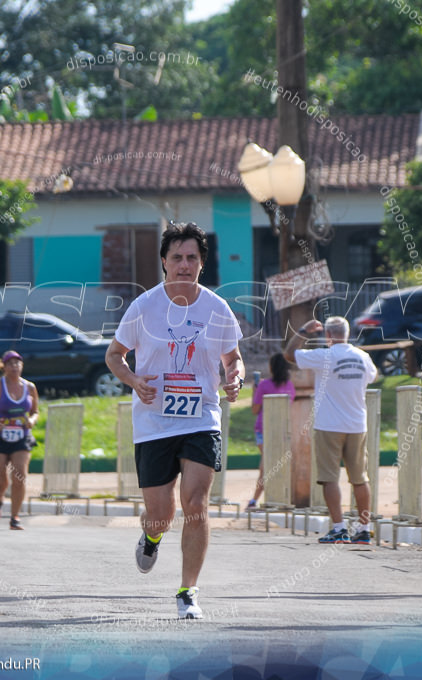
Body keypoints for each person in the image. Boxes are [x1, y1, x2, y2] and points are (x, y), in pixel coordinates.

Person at [105, 221, 244, 620]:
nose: (184, 265)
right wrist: (133, 380)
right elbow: (115, 355)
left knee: (196, 503)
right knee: (162, 513)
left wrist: (235, 377)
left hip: (201, 418)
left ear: (202, 263)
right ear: (164, 261)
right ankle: (151, 537)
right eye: (177, 258)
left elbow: (232, 358)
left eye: (192, 258)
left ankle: (188, 591)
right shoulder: (144, 306)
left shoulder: (216, 309)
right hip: (153, 422)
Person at [284, 316, 378, 544]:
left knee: (329, 478)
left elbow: (288, 354)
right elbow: (373, 377)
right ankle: (364, 529)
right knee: (360, 478)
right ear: (347, 334)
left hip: (329, 425)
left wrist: (304, 331)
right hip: (357, 424)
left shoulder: (324, 356)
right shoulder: (362, 357)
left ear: (327, 335)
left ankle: (339, 528)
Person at [0, 350, 39, 530]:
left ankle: (15, 517)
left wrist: (31, 421)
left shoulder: (30, 387)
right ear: (4, 367)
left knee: (20, 476)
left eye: (17, 363)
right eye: (10, 363)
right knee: (1, 479)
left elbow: (35, 411)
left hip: (21, 435)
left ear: (22, 366)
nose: (14, 366)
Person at [248, 353, 295, 509]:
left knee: (267, 465)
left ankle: (257, 500)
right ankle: (263, 499)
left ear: (271, 367)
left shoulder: (263, 385)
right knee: (270, 465)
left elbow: (255, 409)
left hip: (263, 429)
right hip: (282, 431)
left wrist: (255, 391)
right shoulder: (289, 386)